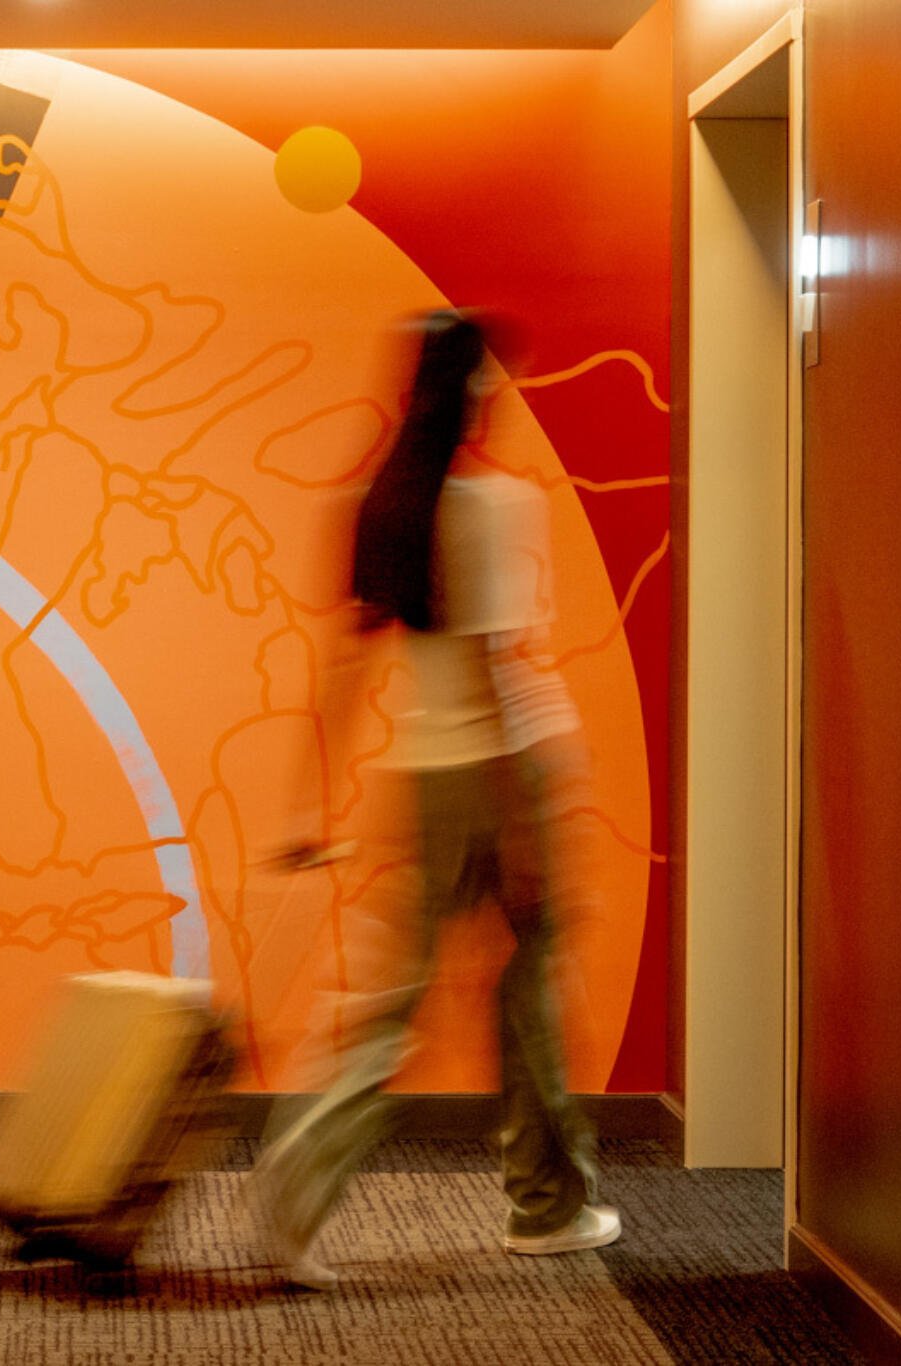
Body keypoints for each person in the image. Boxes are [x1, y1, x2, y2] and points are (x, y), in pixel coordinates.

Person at [249, 309, 619, 1291]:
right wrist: (521, 831)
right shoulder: (489, 506)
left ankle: (296, 1184)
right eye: (499, 380)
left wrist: (307, 811)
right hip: (510, 765)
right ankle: (548, 1205)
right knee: (527, 987)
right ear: (477, 392)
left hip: (416, 772)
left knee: (388, 1003)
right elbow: (499, 669)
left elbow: (342, 667)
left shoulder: (384, 502)